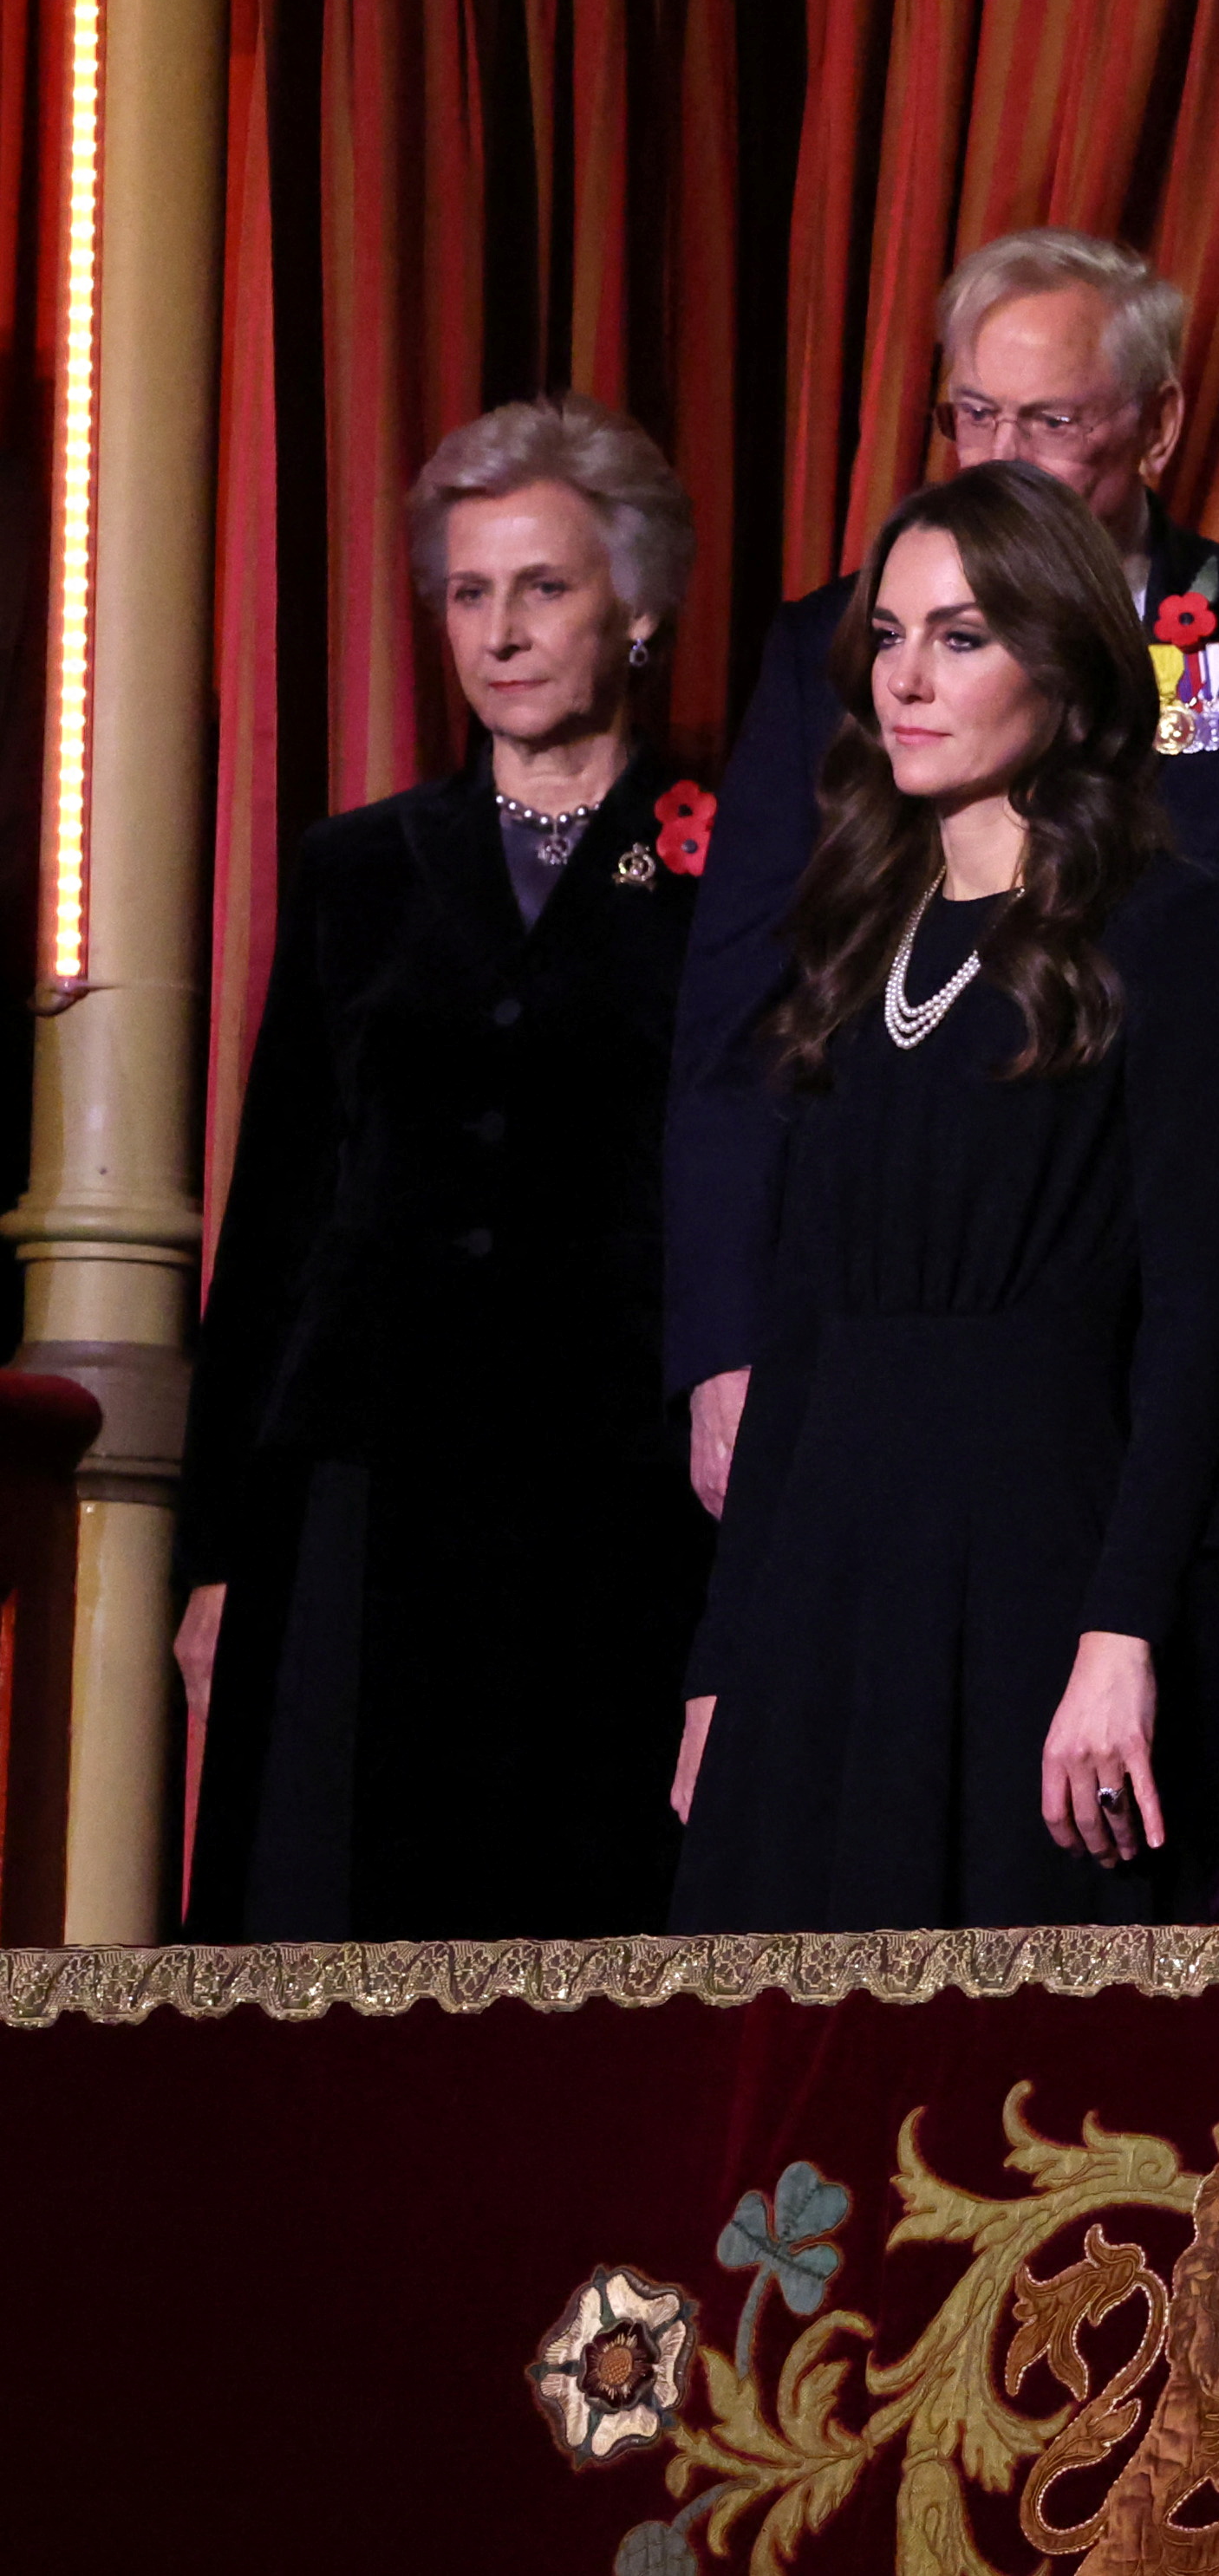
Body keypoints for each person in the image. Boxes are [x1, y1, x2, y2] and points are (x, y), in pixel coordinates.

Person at [664, 228, 1219, 1903]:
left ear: (1154, 427)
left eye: (1052, 422)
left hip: (1155, 1417)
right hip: (854, 1482)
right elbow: (747, 1070)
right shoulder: (862, 855)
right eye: (971, 419)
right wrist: (721, 1383)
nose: (1006, 459)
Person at [668, 460, 1219, 1933]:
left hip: (1035, 1560)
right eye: (887, 636)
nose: (907, 679)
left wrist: (1121, 1630)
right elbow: (799, 1329)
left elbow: (1204, 1315)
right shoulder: (850, 935)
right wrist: (721, 1657)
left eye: (961, 635)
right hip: (826, 1563)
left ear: (1064, 668)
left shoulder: (1164, 932)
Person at [173, 396, 714, 1940]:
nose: (499, 630)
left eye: (540, 587)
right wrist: (218, 1554)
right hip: (366, 1480)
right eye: (469, 593)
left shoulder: (732, 861)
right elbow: (276, 1216)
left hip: (617, 1491)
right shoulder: (360, 863)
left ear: (637, 605)